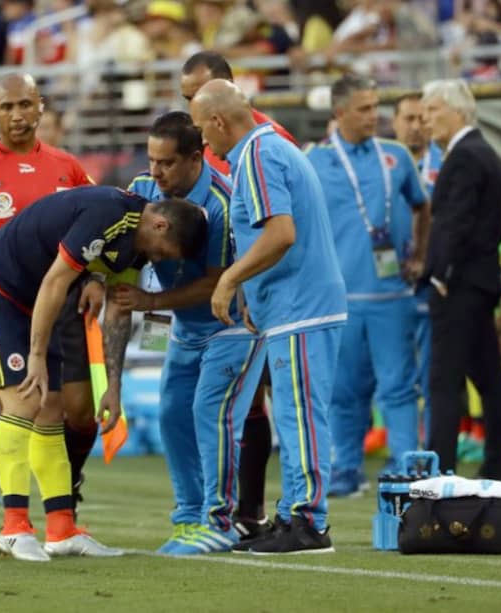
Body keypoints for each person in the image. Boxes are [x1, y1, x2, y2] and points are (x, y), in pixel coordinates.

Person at [0, 185, 206, 561]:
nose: (159, 259)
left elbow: (120, 311)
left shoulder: (135, 249)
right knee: (24, 402)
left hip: (33, 305)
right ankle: (14, 528)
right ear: (158, 224)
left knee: (52, 410)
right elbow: (55, 281)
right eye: (163, 251)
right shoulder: (108, 214)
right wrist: (37, 354)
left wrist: (113, 387)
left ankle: (62, 529)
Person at [191, 79, 346, 555]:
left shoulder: (257, 155)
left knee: (300, 414)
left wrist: (230, 278)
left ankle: (309, 522)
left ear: (218, 120)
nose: (203, 141)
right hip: (294, 304)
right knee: (295, 413)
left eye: (202, 128)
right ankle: (294, 512)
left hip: (300, 306)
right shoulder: (271, 148)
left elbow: (281, 233)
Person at [0, 73, 98, 517]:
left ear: (41, 106)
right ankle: (18, 518)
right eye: (6, 107)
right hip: (8, 303)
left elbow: (98, 222)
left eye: (25, 104)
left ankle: (68, 483)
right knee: (28, 403)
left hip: (63, 301)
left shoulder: (67, 166)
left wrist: (97, 279)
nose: (17, 115)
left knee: (79, 411)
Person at [121, 111, 252, 554]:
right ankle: (187, 516)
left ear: (196, 158)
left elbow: (217, 279)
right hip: (181, 328)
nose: (155, 174)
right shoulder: (141, 191)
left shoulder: (222, 202)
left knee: (208, 413)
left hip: (230, 326)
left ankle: (220, 519)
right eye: (151, 160)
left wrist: (152, 303)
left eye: (166, 164)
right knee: (172, 413)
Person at [180, 50, 294, 536]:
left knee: (256, 401)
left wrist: (238, 278)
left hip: (255, 288)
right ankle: (227, 510)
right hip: (220, 289)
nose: (191, 114)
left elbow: (279, 226)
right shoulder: (207, 142)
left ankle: (252, 511)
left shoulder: (262, 143)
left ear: (221, 93)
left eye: (195, 99)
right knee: (235, 403)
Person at [305, 76, 430, 496]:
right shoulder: (315, 160)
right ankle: (346, 468)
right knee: (343, 391)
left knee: (398, 385)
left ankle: (406, 466)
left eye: (375, 106)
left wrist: (419, 256)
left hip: (392, 295)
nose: (373, 115)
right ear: (339, 113)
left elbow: (422, 205)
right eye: (363, 108)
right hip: (339, 298)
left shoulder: (395, 155)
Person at [421, 78, 501, 480]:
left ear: (457, 111)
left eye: (432, 111)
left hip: (459, 286)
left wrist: (440, 274)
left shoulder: (465, 156)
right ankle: (495, 464)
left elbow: (455, 223)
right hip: (478, 282)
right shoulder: (479, 151)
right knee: (488, 379)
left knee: (444, 380)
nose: (425, 121)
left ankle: (439, 469)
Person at [391, 92, 443, 447]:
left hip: (433, 282)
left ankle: (433, 447)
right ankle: (398, 447)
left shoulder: (446, 161)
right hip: (389, 283)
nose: (415, 126)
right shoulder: (384, 163)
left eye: (420, 118)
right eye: (407, 119)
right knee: (392, 374)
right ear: (394, 123)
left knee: (432, 373)